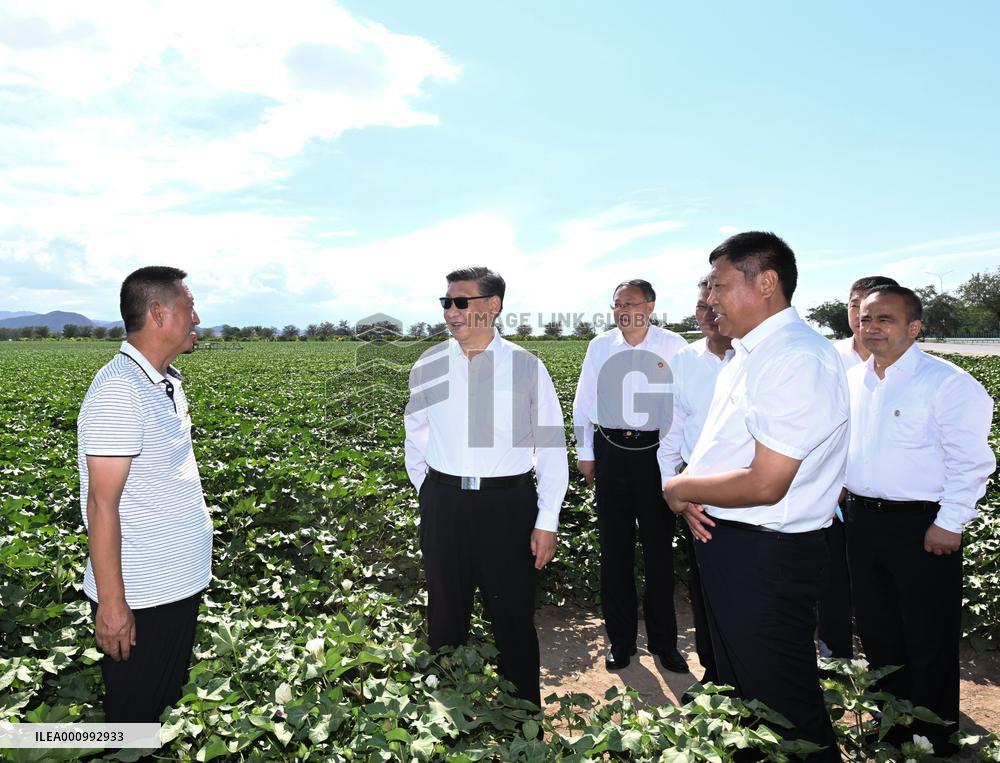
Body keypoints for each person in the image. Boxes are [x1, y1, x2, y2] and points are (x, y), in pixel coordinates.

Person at [663, 232, 847, 761]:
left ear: (766, 283)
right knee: (745, 696)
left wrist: (680, 487)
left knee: (783, 704)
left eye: (719, 285)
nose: (710, 299)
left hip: (768, 552)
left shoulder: (795, 358)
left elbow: (768, 481)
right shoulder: (749, 353)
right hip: (736, 541)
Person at [404, 266, 568, 707]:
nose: (451, 312)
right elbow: (415, 434)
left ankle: (524, 718)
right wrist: (429, 492)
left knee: (512, 619)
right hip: (445, 503)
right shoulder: (429, 364)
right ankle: (445, 721)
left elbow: (551, 447)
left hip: (507, 506)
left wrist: (547, 519)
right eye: (446, 303)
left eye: (461, 302)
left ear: (493, 306)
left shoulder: (526, 367)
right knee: (444, 619)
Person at [844, 284, 994, 755]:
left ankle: (935, 736)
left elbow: (970, 462)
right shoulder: (853, 380)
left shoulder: (947, 383)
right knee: (878, 632)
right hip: (862, 522)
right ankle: (892, 725)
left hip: (922, 526)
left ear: (914, 327)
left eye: (885, 319)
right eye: (866, 319)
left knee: (928, 635)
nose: (872, 328)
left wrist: (951, 522)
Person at [78, 266, 211, 724]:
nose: (197, 318)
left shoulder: (163, 380)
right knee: (133, 729)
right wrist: (113, 604)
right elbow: (101, 505)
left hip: (174, 586)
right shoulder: (120, 390)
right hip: (142, 598)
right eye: (189, 307)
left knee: (163, 714)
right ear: (158, 314)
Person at [572, 279, 689, 672]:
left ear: (650, 306)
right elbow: (584, 401)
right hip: (611, 452)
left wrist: (677, 463)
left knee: (659, 553)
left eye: (631, 303)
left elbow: (684, 406)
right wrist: (586, 453)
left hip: (658, 452)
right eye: (617, 304)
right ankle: (620, 642)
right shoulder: (600, 346)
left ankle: (664, 644)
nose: (623, 311)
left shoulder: (674, 346)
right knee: (615, 551)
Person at [657, 275, 734, 685]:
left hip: (750, 492)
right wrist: (675, 490)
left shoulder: (756, 358)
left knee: (746, 594)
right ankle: (713, 676)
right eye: (700, 306)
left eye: (712, 305)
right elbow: (671, 432)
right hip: (696, 493)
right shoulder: (685, 361)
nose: (706, 314)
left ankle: (745, 681)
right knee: (704, 589)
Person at [818, 275, 897, 660]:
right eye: (855, 306)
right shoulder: (828, 355)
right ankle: (834, 653)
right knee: (832, 575)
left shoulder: (905, 366)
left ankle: (886, 664)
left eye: (872, 308)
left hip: (881, 496)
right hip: (831, 492)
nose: (861, 315)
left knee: (881, 588)